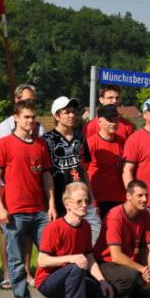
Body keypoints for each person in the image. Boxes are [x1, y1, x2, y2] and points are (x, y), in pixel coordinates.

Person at [0, 99, 56, 298]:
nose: (30, 121)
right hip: (14, 210)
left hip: (39, 211)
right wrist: (0, 208)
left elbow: (46, 176)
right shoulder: (4, 144)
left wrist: (52, 204)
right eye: (26, 117)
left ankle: (50, 296)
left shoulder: (40, 145)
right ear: (16, 118)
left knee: (49, 257)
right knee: (17, 258)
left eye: (33, 117)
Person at [35, 182, 115, 298]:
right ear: (67, 204)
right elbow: (42, 261)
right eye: (79, 202)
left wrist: (102, 281)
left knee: (103, 295)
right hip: (47, 281)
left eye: (86, 201)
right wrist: (71, 258)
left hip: (72, 277)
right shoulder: (54, 228)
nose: (84, 205)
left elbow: (89, 257)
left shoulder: (86, 226)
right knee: (77, 266)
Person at [0, 83, 43, 290]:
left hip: (33, 188)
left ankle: (27, 270)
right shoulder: (5, 127)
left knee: (30, 232)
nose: (30, 104)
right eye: (25, 100)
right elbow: (1, 167)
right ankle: (8, 272)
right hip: (11, 189)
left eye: (33, 101)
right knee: (9, 233)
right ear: (16, 102)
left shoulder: (39, 127)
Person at [93, 180, 150, 298]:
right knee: (129, 275)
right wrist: (142, 269)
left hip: (129, 264)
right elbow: (116, 256)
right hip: (106, 262)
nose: (145, 199)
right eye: (140, 196)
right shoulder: (115, 216)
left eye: (146, 195)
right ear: (128, 196)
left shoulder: (146, 215)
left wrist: (149, 274)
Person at [41, 97, 101, 244]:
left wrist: (92, 197)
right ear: (57, 116)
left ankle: (85, 259)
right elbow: (45, 173)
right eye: (67, 112)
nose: (72, 115)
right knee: (63, 237)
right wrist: (50, 204)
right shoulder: (47, 140)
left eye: (74, 112)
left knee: (95, 226)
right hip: (60, 196)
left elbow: (83, 169)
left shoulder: (80, 138)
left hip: (81, 195)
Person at [85, 104, 127, 220]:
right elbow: (82, 171)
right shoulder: (90, 143)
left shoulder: (123, 143)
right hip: (98, 199)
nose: (113, 123)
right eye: (109, 120)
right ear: (100, 122)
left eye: (115, 119)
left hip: (119, 198)